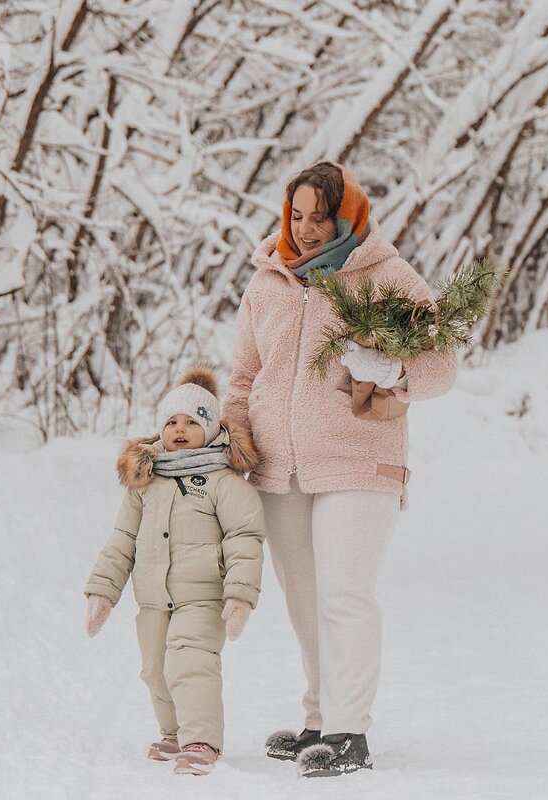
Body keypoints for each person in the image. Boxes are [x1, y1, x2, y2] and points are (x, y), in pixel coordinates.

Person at [221, 161, 458, 778]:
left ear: (346, 215)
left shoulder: (384, 276)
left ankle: (351, 731)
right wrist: (236, 432)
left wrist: (391, 371)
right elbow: (245, 374)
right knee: (304, 600)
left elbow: (440, 366)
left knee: (345, 596)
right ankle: (321, 719)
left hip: (359, 462)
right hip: (278, 469)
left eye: (319, 217)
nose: (305, 230)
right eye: (296, 216)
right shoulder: (268, 282)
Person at [83, 366, 266, 776]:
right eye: (171, 422)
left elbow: (245, 536)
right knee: (155, 668)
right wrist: (102, 592)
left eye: (191, 421)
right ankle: (174, 733)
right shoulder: (145, 481)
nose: (179, 429)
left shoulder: (223, 480)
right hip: (152, 598)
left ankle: (201, 740)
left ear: (210, 426)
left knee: (190, 662)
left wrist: (239, 594)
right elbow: (122, 539)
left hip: (202, 596)